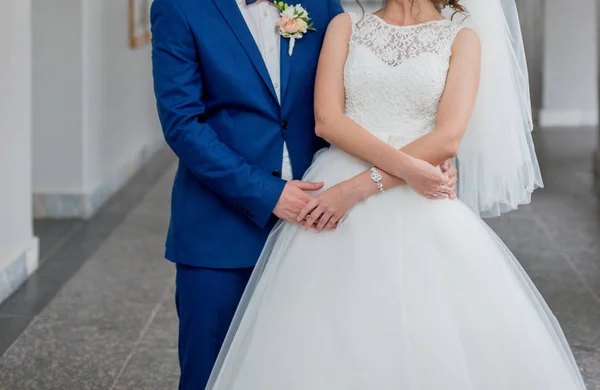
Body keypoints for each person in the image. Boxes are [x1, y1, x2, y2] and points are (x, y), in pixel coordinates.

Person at [205, 0, 588, 388]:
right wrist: (407, 168)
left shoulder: (462, 39)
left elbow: (447, 138)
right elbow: (328, 121)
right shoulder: (345, 26)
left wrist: (356, 189)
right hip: (352, 182)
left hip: (396, 199)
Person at [150, 0, 457, 388]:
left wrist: (417, 160)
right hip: (220, 227)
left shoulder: (323, 4)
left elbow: (363, 97)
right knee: (209, 372)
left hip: (326, 225)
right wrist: (268, 193)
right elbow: (182, 124)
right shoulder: (180, 8)